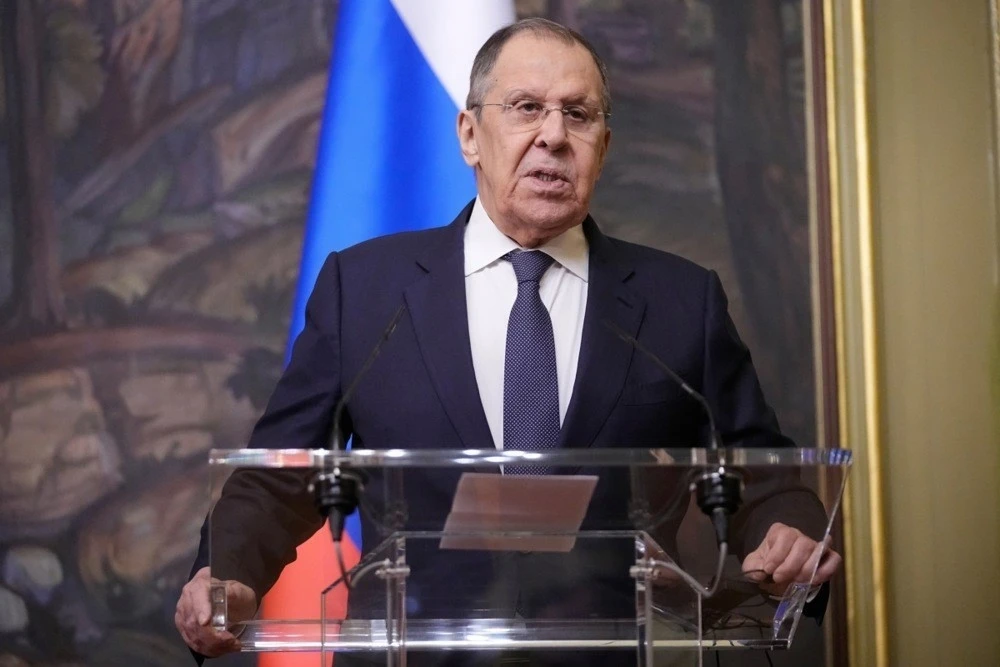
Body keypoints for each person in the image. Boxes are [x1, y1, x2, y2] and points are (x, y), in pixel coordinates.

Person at [175, 17, 842, 664]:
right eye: (526, 108)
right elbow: (280, 475)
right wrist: (228, 574)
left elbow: (759, 471)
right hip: (414, 654)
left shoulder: (680, 300)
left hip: (610, 653)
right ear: (470, 135)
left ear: (604, 146)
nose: (553, 135)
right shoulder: (367, 289)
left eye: (578, 115)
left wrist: (787, 531)